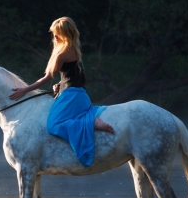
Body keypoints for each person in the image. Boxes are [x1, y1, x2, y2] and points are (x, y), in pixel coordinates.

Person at [9, 17, 114, 166]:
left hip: (71, 96)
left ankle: (90, 122)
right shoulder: (75, 48)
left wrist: (25, 89)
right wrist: (61, 83)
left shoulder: (61, 53)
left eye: (57, 34)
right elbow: (76, 75)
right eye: (53, 34)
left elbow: (47, 77)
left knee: (53, 125)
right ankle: (89, 119)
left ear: (64, 34)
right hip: (80, 94)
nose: (54, 37)